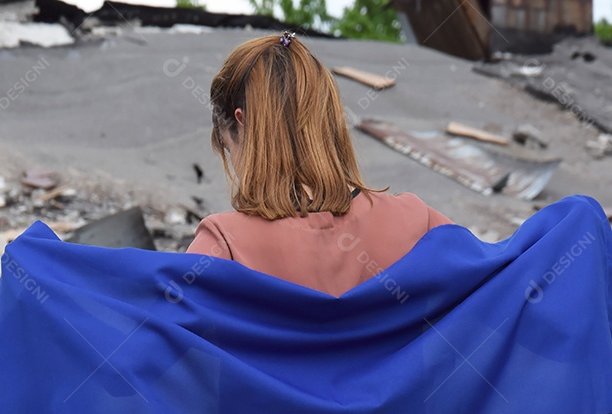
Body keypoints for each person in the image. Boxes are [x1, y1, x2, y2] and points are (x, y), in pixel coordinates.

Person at [187, 31, 452, 297]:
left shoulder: (222, 246)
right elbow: (487, 288)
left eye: (227, 146)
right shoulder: (419, 223)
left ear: (242, 122)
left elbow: (171, 328)